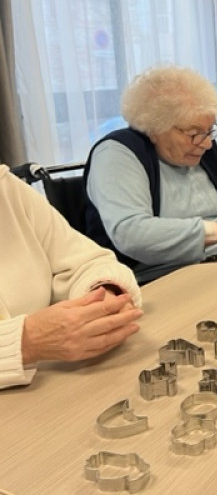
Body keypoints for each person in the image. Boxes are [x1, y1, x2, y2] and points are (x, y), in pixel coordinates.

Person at [85, 66, 217, 284]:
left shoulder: (202, 146)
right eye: (194, 134)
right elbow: (132, 234)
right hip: (165, 277)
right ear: (154, 128)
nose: (207, 143)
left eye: (210, 131)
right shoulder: (118, 154)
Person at [0, 165, 142, 389]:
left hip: (49, 390)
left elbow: (86, 261)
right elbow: (134, 233)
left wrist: (101, 293)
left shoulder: (8, 189)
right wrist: (24, 342)